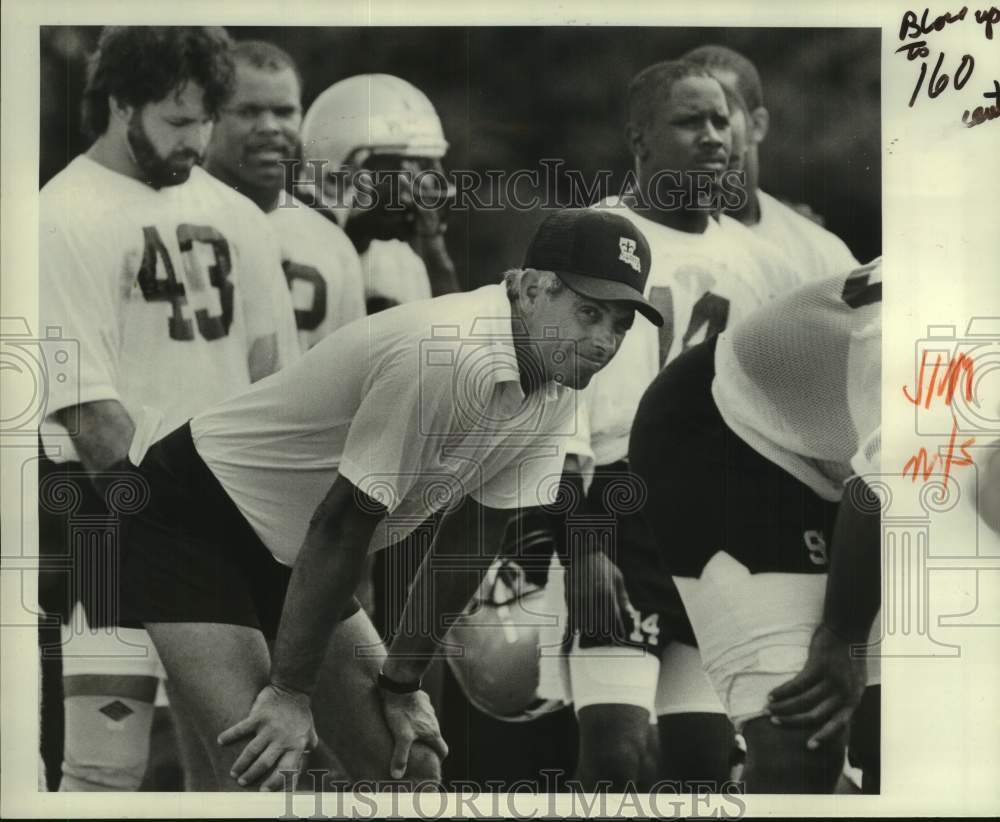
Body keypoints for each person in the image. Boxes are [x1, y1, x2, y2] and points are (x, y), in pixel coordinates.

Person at [112, 208, 663, 792]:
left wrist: (402, 685)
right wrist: (290, 692)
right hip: (190, 516)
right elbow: (342, 523)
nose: (604, 340)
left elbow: (472, 538)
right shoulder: (450, 353)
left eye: (620, 323)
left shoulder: (558, 379)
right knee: (267, 772)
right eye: (588, 312)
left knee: (412, 769)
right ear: (529, 289)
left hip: (291, 549)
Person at [37, 26, 289, 791]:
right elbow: (91, 419)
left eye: (208, 119)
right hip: (109, 515)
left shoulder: (238, 214)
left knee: (245, 768)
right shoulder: (58, 215)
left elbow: (272, 379)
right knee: (102, 768)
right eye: (178, 121)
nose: (198, 139)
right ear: (120, 105)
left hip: (226, 516)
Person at [545, 59, 804, 791]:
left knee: (703, 764)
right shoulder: (590, 239)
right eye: (690, 122)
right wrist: (583, 549)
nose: (714, 137)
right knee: (615, 754)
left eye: (722, 121)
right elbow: (555, 415)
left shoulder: (763, 262)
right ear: (639, 139)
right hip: (618, 509)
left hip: (716, 517)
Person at [628, 259, 883, 793]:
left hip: (840, 454)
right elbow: (879, 490)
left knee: (905, 727)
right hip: (726, 434)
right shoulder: (933, 333)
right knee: (803, 731)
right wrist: (842, 637)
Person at [204, 40, 365, 353]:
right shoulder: (170, 221)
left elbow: (348, 374)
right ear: (210, 116)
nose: (269, 127)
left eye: (284, 111)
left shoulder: (331, 245)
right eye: (248, 111)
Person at [683, 44, 860, 279]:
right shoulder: (640, 234)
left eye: (721, 115)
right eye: (687, 119)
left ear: (756, 126)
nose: (707, 135)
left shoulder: (818, 252)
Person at [297, 73, 460, 311]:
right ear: (337, 171)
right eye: (395, 168)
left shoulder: (403, 261)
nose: (410, 189)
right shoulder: (296, 246)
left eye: (420, 167)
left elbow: (451, 331)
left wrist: (434, 252)